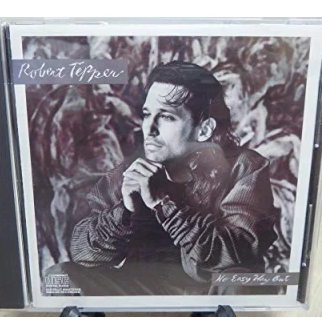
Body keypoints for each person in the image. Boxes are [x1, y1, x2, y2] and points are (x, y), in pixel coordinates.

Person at [45, 61, 278, 296]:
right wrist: (124, 211)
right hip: (142, 294)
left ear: (204, 129)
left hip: (208, 296)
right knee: (60, 276)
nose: (149, 129)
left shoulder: (245, 167)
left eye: (166, 117)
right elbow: (82, 254)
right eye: (147, 115)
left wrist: (164, 203)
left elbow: (238, 254)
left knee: (239, 282)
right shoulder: (129, 172)